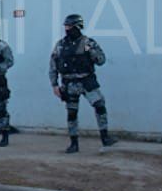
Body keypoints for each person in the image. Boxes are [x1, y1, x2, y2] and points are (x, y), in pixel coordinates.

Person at [49, 14, 115, 153]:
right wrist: (54, 85)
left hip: (87, 81)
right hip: (69, 84)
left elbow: (101, 60)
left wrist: (90, 51)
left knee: (99, 105)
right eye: (66, 27)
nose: (67, 29)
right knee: (72, 113)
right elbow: (53, 65)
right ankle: (74, 143)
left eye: (70, 27)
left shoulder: (86, 43)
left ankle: (105, 137)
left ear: (77, 27)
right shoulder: (61, 45)